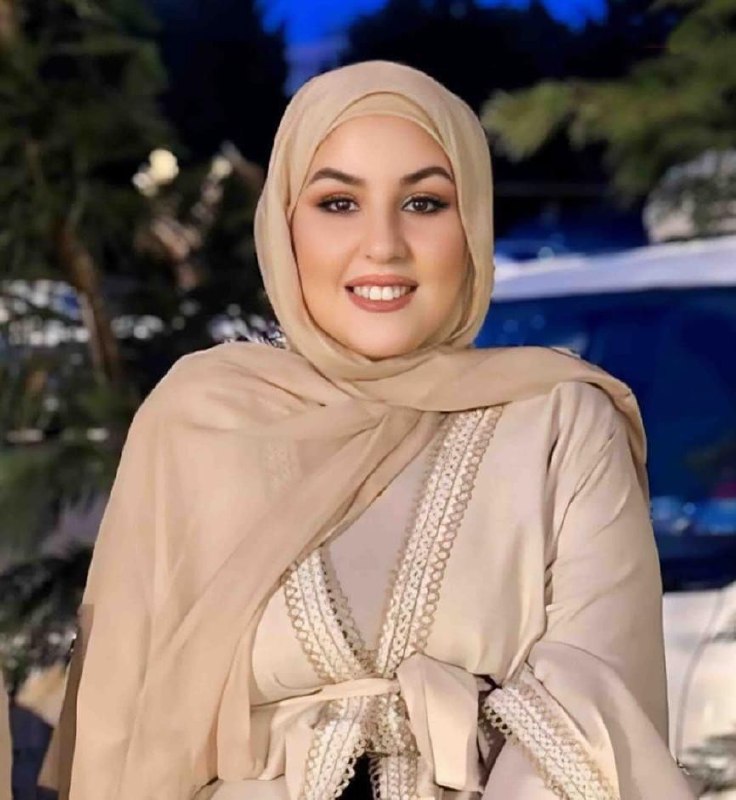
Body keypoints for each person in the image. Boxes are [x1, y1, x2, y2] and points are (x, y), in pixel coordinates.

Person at [45, 60, 696, 800]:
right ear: (285, 226)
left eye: (423, 203)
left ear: (472, 225)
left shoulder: (559, 421)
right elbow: (120, 731)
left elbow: (598, 705)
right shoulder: (200, 420)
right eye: (338, 203)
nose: (383, 245)